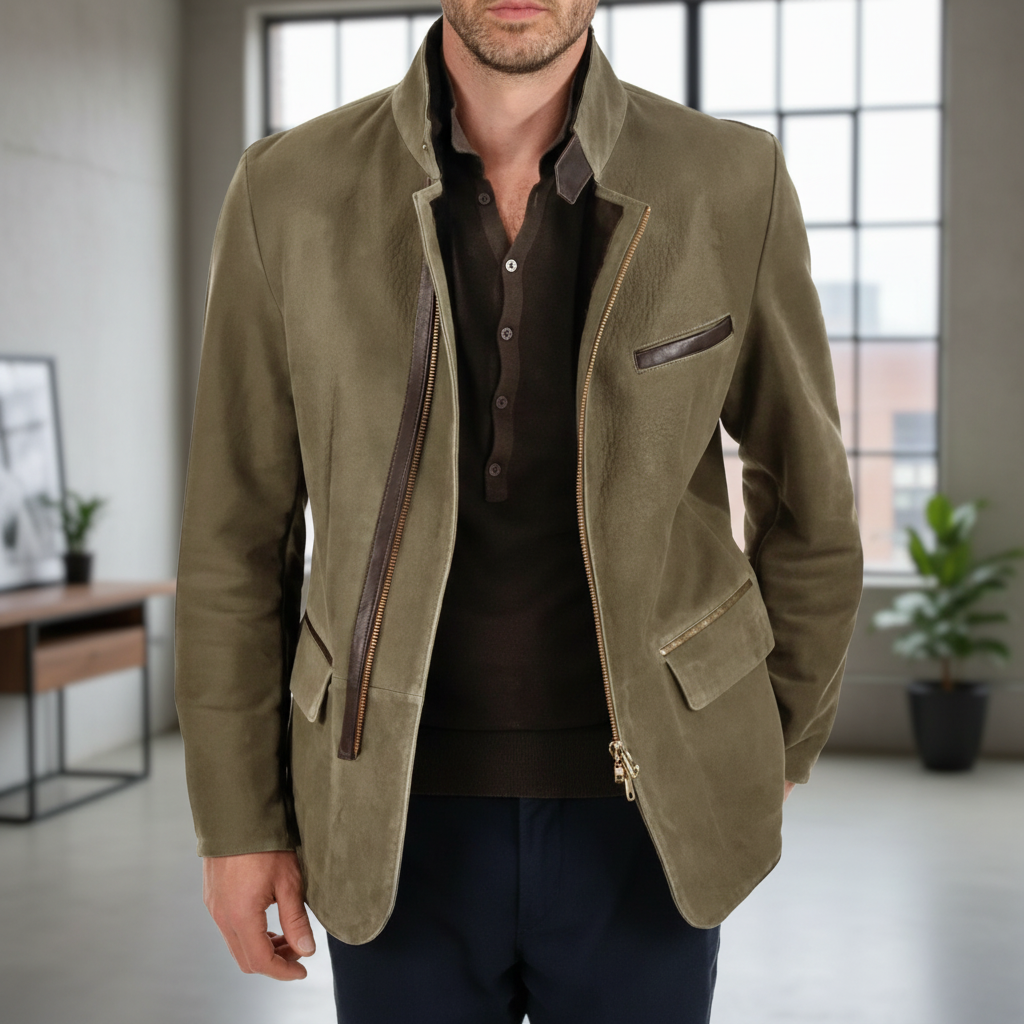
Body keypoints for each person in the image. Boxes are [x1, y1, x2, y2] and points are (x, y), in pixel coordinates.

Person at [175, 1, 863, 1020]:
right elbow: (233, 535)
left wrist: (776, 742)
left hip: (649, 814)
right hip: (385, 807)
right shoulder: (287, 190)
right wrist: (239, 821)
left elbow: (811, 505)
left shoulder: (729, 177)